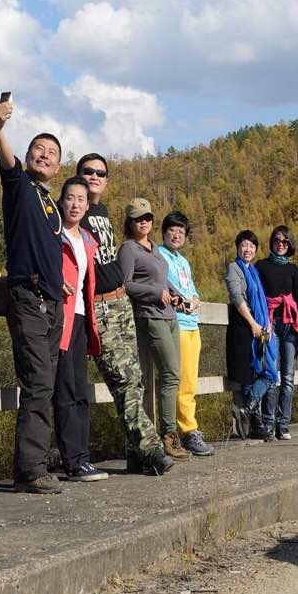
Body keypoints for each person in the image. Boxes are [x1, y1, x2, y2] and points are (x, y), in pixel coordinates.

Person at [73, 152, 172, 476]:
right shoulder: (74, 212)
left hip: (120, 303)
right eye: (87, 172)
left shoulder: (100, 212)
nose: (94, 177)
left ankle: (136, 457)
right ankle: (152, 449)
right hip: (99, 305)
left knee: (135, 381)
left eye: (100, 172)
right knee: (124, 379)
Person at [0, 94, 65, 494]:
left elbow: (49, 247)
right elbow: (6, 155)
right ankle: (30, 469)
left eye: (52, 153)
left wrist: (62, 285)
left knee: (46, 383)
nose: (44, 155)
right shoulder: (19, 184)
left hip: (54, 301)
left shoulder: (51, 202)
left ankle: (36, 461)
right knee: (37, 381)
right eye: (39, 149)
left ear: (57, 166)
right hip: (28, 295)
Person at [118, 198, 189, 465]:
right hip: (150, 316)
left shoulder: (154, 249)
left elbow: (163, 280)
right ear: (130, 222)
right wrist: (154, 293)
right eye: (138, 218)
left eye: (147, 217)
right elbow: (125, 285)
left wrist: (175, 294)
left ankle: (164, 436)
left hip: (170, 316)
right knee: (170, 375)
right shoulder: (128, 249)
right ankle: (169, 437)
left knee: (174, 375)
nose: (144, 222)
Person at [54, 177, 106, 483]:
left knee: (80, 391)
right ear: (62, 201)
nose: (75, 204)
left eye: (81, 200)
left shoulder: (87, 239)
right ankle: (72, 461)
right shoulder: (53, 234)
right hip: (61, 320)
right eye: (70, 198)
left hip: (82, 320)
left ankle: (82, 457)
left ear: (88, 205)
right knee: (65, 391)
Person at [157, 211, 214, 456]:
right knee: (178, 380)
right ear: (164, 231)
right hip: (175, 323)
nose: (177, 234)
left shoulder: (183, 260)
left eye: (182, 231)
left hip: (193, 324)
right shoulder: (159, 255)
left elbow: (192, 288)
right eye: (173, 229)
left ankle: (188, 429)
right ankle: (188, 430)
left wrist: (196, 300)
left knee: (190, 380)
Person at [255, 225, 298, 441]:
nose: (281, 243)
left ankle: (283, 424)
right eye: (277, 240)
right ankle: (268, 423)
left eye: (285, 241)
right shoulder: (261, 266)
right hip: (269, 323)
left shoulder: (293, 270)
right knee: (271, 374)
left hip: (289, 325)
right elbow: (257, 296)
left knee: (288, 377)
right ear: (271, 242)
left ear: (290, 245)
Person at [225, 230, 278, 441]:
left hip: (259, 329)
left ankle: (247, 409)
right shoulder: (234, 268)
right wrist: (253, 324)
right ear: (238, 247)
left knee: (268, 373)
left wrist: (266, 324)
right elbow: (237, 297)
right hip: (242, 328)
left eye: (252, 246)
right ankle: (255, 425)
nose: (248, 249)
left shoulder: (254, 271)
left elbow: (262, 302)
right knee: (248, 377)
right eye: (244, 245)